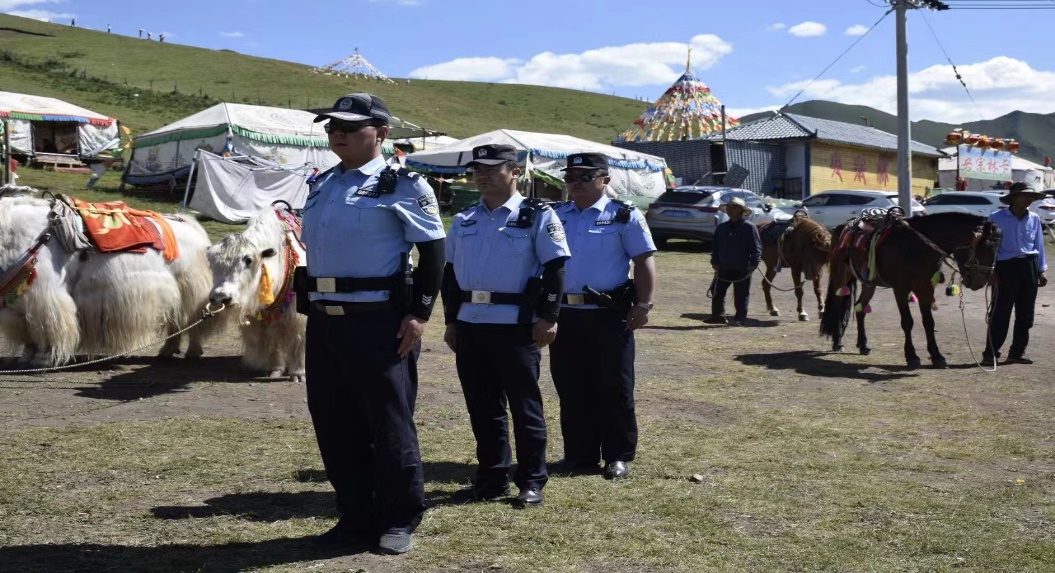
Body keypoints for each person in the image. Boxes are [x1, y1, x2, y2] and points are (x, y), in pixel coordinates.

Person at [299, 93, 446, 555]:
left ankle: (400, 518)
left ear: (381, 133)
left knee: (388, 423)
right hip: (325, 321)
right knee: (335, 422)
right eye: (331, 127)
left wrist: (420, 313)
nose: (336, 133)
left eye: (348, 126)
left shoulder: (403, 185)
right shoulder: (322, 184)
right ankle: (355, 517)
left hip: (379, 322)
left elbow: (434, 254)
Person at [442, 144, 570, 508]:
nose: (481, 174)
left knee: (525, 406)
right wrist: (451, 320)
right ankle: (492, 476)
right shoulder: (465, 219)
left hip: (516, 326)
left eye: (492, 168)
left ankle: (531, 479)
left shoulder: (538, 216)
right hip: (470, 324)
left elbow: (556, 269)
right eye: (476, 169)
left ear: (515, 172)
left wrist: (549, 317)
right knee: (483, 407)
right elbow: (450, 274)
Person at [549, 152, 656, 480]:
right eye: (569, 177)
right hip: (564, 313)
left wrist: (644, 305)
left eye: (585, 176)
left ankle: (616, 455)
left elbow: (644, 261)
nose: (575, 183)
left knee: (614, 386)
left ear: (605, 180)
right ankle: (579, 454)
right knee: (571, 386)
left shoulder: (624, 215)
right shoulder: (555, 215)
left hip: (609, 316)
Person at [982, 182, 1048, 366]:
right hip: (1005, 268)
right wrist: (991, 271)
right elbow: (988, 248)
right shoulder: (996, 217)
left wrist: (1041, 270)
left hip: (1029, 267)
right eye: (1025, 195)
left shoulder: (1034, 218)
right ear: (1014, 198)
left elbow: (1038, 245)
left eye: (1031, 196)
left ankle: (1017, 352)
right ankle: (990, 354)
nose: (1029, 199)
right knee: (1000, 313)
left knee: (1026, 314)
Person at [707, 197, 761, 326]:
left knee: (741, 295)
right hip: (723, 266)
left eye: (735, 207)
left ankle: (739, 318)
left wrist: (753, 264)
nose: (731, 210)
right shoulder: (722, 228)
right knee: (717, 293)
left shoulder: (749, 228)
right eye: (729, 207)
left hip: (742, 267)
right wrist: (714, 261)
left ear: (741, 211)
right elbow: (716, 246)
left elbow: (756, 248)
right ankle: (718, 316)